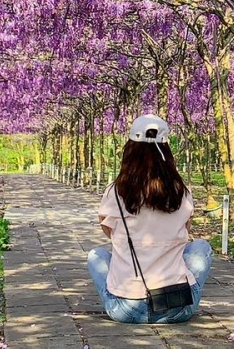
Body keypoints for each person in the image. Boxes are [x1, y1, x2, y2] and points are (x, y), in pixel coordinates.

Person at [87, 114, 213, 324]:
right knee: (200, 247)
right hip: (177, 306)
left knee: (96, 255)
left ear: (130, 150)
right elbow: (185, 230)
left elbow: (109, 232)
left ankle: (125, 292)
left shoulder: (114, 193)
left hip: (125, 309)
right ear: (166, 152)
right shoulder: (182, 192)